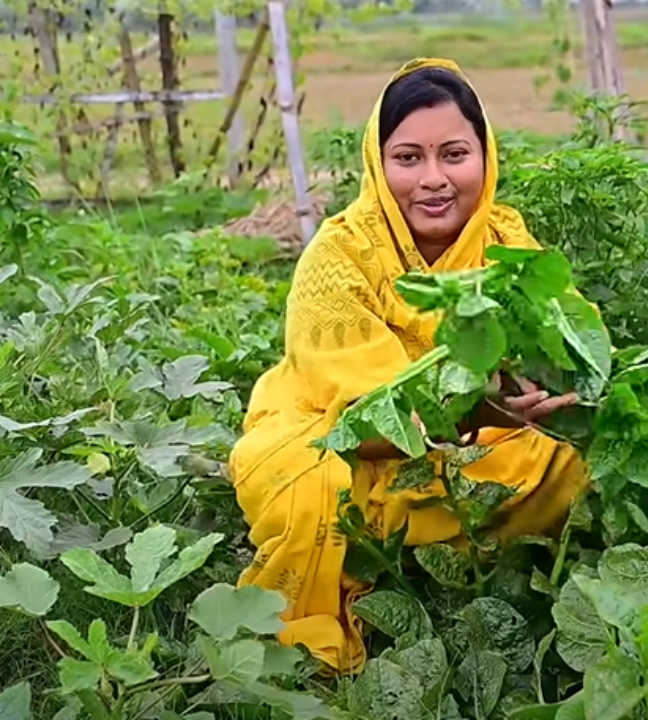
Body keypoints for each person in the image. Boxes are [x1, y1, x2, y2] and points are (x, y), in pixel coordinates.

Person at [227, 57, 594, 675]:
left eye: (454, 154)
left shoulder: (507, 243)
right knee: (305, 483)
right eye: (408, 159)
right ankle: (324, 611)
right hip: (339, 435)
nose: (433, 180)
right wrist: (476, 408)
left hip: (472, 442)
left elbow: (566, 345)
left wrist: (551, 392)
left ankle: (389, 551)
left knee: (563, 461)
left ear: (485, 156)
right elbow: (371, 418)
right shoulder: (339, 254)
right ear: (378, 162)